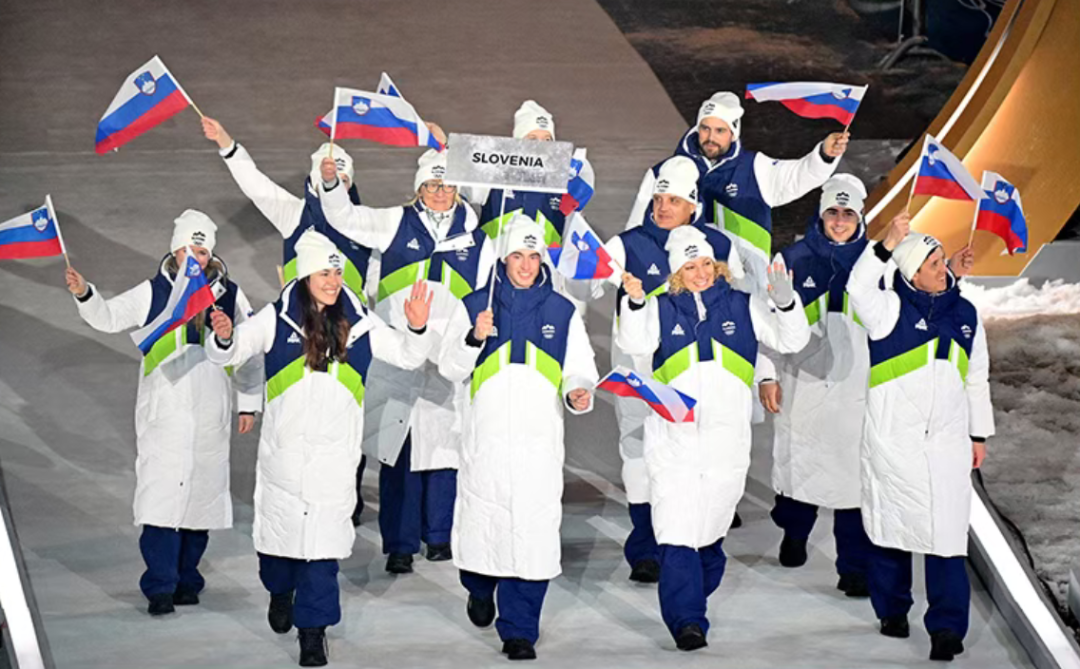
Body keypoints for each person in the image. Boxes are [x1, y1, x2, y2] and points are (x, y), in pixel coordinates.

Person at [205, 230, 434, 667]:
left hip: (334, 463)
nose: (333, 281)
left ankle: (313, 633)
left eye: (337, 272)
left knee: (322, 555)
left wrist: (417, 326)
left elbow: (408, 356)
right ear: (306, 275)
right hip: (284, 461)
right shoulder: (275, 319)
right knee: (278, 551)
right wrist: (224, 337)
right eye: (324, 273)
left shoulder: (360, 323)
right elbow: (230, 354)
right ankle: (279, 591)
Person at [616, 225, 810, 651]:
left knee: (710, 536)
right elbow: (633, 342)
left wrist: (785, 302)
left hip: (726, 444)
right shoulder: (659, 308)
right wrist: (633, 302)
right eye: (690, 267)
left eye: (706, 263)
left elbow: (791, 339)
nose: (701, 273)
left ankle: (692, 597)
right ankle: (687, 621)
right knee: (676, 532)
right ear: (676, 272)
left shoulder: (744, 304)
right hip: (674, 442)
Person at [64, 210, 263, 616]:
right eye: (190, 250)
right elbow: (109, 317)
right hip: (165, 414)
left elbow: (250, 350)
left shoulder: (229, 295)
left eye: (203, 252)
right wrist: (86, 293)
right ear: (175, 251)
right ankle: (159, 586)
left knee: (200, 503)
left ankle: (188, 579)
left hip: (209, 413)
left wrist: (248, 402)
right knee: (161, 502)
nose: (196, 259)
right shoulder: (154, 291)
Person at [566, 155, 742, 584]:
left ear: (693, 206)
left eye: (674, 201)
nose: (663, 207)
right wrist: (578, 252)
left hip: (697, 372)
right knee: (638, 449)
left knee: (692, 455)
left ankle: (693, 543)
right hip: (639, 372)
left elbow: (739, 304)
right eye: (659, 199)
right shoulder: (628, 243)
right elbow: (584, 284)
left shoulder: (718, 247)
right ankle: (645, 546)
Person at [318, 149, 495, 574]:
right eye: (432, 185)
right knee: (398, 450)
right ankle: (399, 544)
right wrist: (331, 186)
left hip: (449, 355)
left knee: (445, 450)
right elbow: (344, 219)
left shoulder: (478, 239)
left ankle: (439, 536)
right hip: (399, 351)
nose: (440, 193)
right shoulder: (395, 222)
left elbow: (487, 293)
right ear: (419, 188)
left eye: (447, 185)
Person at [437, 216, 599, 661]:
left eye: (533, 257)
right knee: (482, 525)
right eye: (517, 256)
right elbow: (449, 367)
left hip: (537, 445)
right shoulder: (476, 305)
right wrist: (474, 337)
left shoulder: (562, 310)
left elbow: (580, 366)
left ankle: (520, 630)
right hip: (486, 442)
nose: (526, 266)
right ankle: (479, 587)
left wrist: (578, 390)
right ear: (503, 259)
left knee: (532, 536)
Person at [202, 117, 375, 527]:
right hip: (298, 331)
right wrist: (227, 143)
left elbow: (379, 275)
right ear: (313, 181)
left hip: (347, 334)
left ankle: (344, 499)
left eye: (342, 179)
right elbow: (255, 184)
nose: (334, 184)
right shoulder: (295, 213)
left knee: (346, 414)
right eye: (327, 176)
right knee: (297, 416)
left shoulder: (366, 224)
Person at [847, 212, 994, 662]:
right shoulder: (888, 311)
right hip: (895, 444)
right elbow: (858, 287)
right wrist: (887, 244)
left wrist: (978, 434)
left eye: (942, 260)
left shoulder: (965, 314)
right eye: (932, 263)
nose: (942, 268)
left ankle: (947, 629)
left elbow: (977, 378)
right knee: (892, 532)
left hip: (947, 446)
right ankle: (892, 611)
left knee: (947, 540)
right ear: (911, 274)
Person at [755, 174, 874, 596]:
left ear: (860, 217)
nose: (839, 221)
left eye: (848, 213)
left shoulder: (878, 263)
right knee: (800, 471)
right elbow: (768, 324)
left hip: (857, 389)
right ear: (820, 214)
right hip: (801, 385)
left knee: (853, 483)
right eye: (832, 212)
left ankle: (854, 568)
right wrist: (767, 374)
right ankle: (794, 532)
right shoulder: (792, 258)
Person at [625, 91, 848, 292]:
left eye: (720, 130)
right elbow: (634, 233)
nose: (710, 138)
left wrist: (824, 155)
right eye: (705, 128)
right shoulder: (664, 173)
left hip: (745, 291)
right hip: (683, 291)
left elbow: (800, 175)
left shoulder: (755, 168)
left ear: (733, 133)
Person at [463, 100, 596, 313]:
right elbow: (457, 182)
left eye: (547, 140)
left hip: (544, 279)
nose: (540, 146)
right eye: (532, 139)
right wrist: (445, 150)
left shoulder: (565, 182)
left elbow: (584, 190)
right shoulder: (494, 174)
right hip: (494, 279)